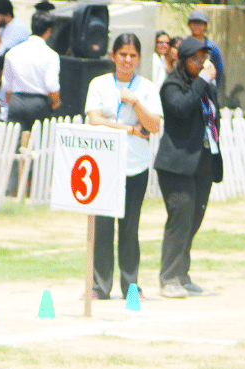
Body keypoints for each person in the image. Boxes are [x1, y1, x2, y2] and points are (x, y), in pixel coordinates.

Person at [85, 34, 162, 300]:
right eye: (122, 54)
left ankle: (131, 286)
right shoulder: (99, 84)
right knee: (103, 228)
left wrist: (135, 102)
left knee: (130, 229)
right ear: (113, 55)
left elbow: (154, 125)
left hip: (135, 166)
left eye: (132, 55)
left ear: (139, 58)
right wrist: (128, 128)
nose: (127, 60)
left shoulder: (147, 88)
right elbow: (94, 119)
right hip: (104, 165)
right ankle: (99, 287)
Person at [154, 36, 223, 299]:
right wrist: (203, 80)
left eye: (204, 57)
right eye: (195, 58)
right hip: (176, 164)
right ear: (182, 61)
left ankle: (182, 275)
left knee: (193, 220)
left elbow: (212, 118)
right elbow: (181, 108)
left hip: (202, 162)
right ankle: (168, 278)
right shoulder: (171, 85)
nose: (201, 63)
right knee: (180, 219)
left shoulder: (205, 87)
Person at [2, 11, 59, 132]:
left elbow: (7, 85)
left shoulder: (12, 52)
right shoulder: (51, 55)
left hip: (16, 101)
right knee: (40, 139)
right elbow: (51, 84)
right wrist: (56, 102)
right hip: (38, 103)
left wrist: (12, 102)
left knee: (14, 138)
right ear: (48, 30)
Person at [188, 10, 224, 88]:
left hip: (206, 86)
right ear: (189, 25)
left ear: (205, 26)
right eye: (194, 23)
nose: (196, 26)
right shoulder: (184, 43)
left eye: (200, 23)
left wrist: (214, 88)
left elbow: (219, 69)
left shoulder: (212, 46)